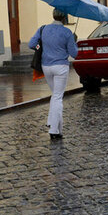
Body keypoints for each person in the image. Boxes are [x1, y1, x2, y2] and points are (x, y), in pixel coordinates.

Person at [28, 11, 78, 140]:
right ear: (64, 17)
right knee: (57, 97)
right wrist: (74, 40)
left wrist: (43, 47)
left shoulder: (43, 29)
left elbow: (31, 44)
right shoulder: (67, 33)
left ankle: (58, 128)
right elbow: (74, 53)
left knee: (55, 96)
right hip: (60, 67)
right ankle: (53, 129)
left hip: (46, 66)